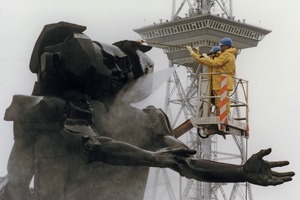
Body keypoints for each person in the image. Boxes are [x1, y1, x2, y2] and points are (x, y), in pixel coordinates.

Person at [0, 23, 294, 200]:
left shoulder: (148, 122)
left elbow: (186, 164)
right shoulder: (51, 112)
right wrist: (153, 158)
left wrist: (241, 172)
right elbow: (93, 147)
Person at [187, 38, 237, 116]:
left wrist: (193, 54)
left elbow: (214, 63)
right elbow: (210, 62)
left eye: (222, 46)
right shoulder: (228, 54)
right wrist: (196, 53)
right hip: (220, 82)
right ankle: (221, 115)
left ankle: (224, 116)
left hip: (222, 81)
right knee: (220, 101)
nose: (221, 47)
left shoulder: (227, 54)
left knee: (222, 100)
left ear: (226, 46)